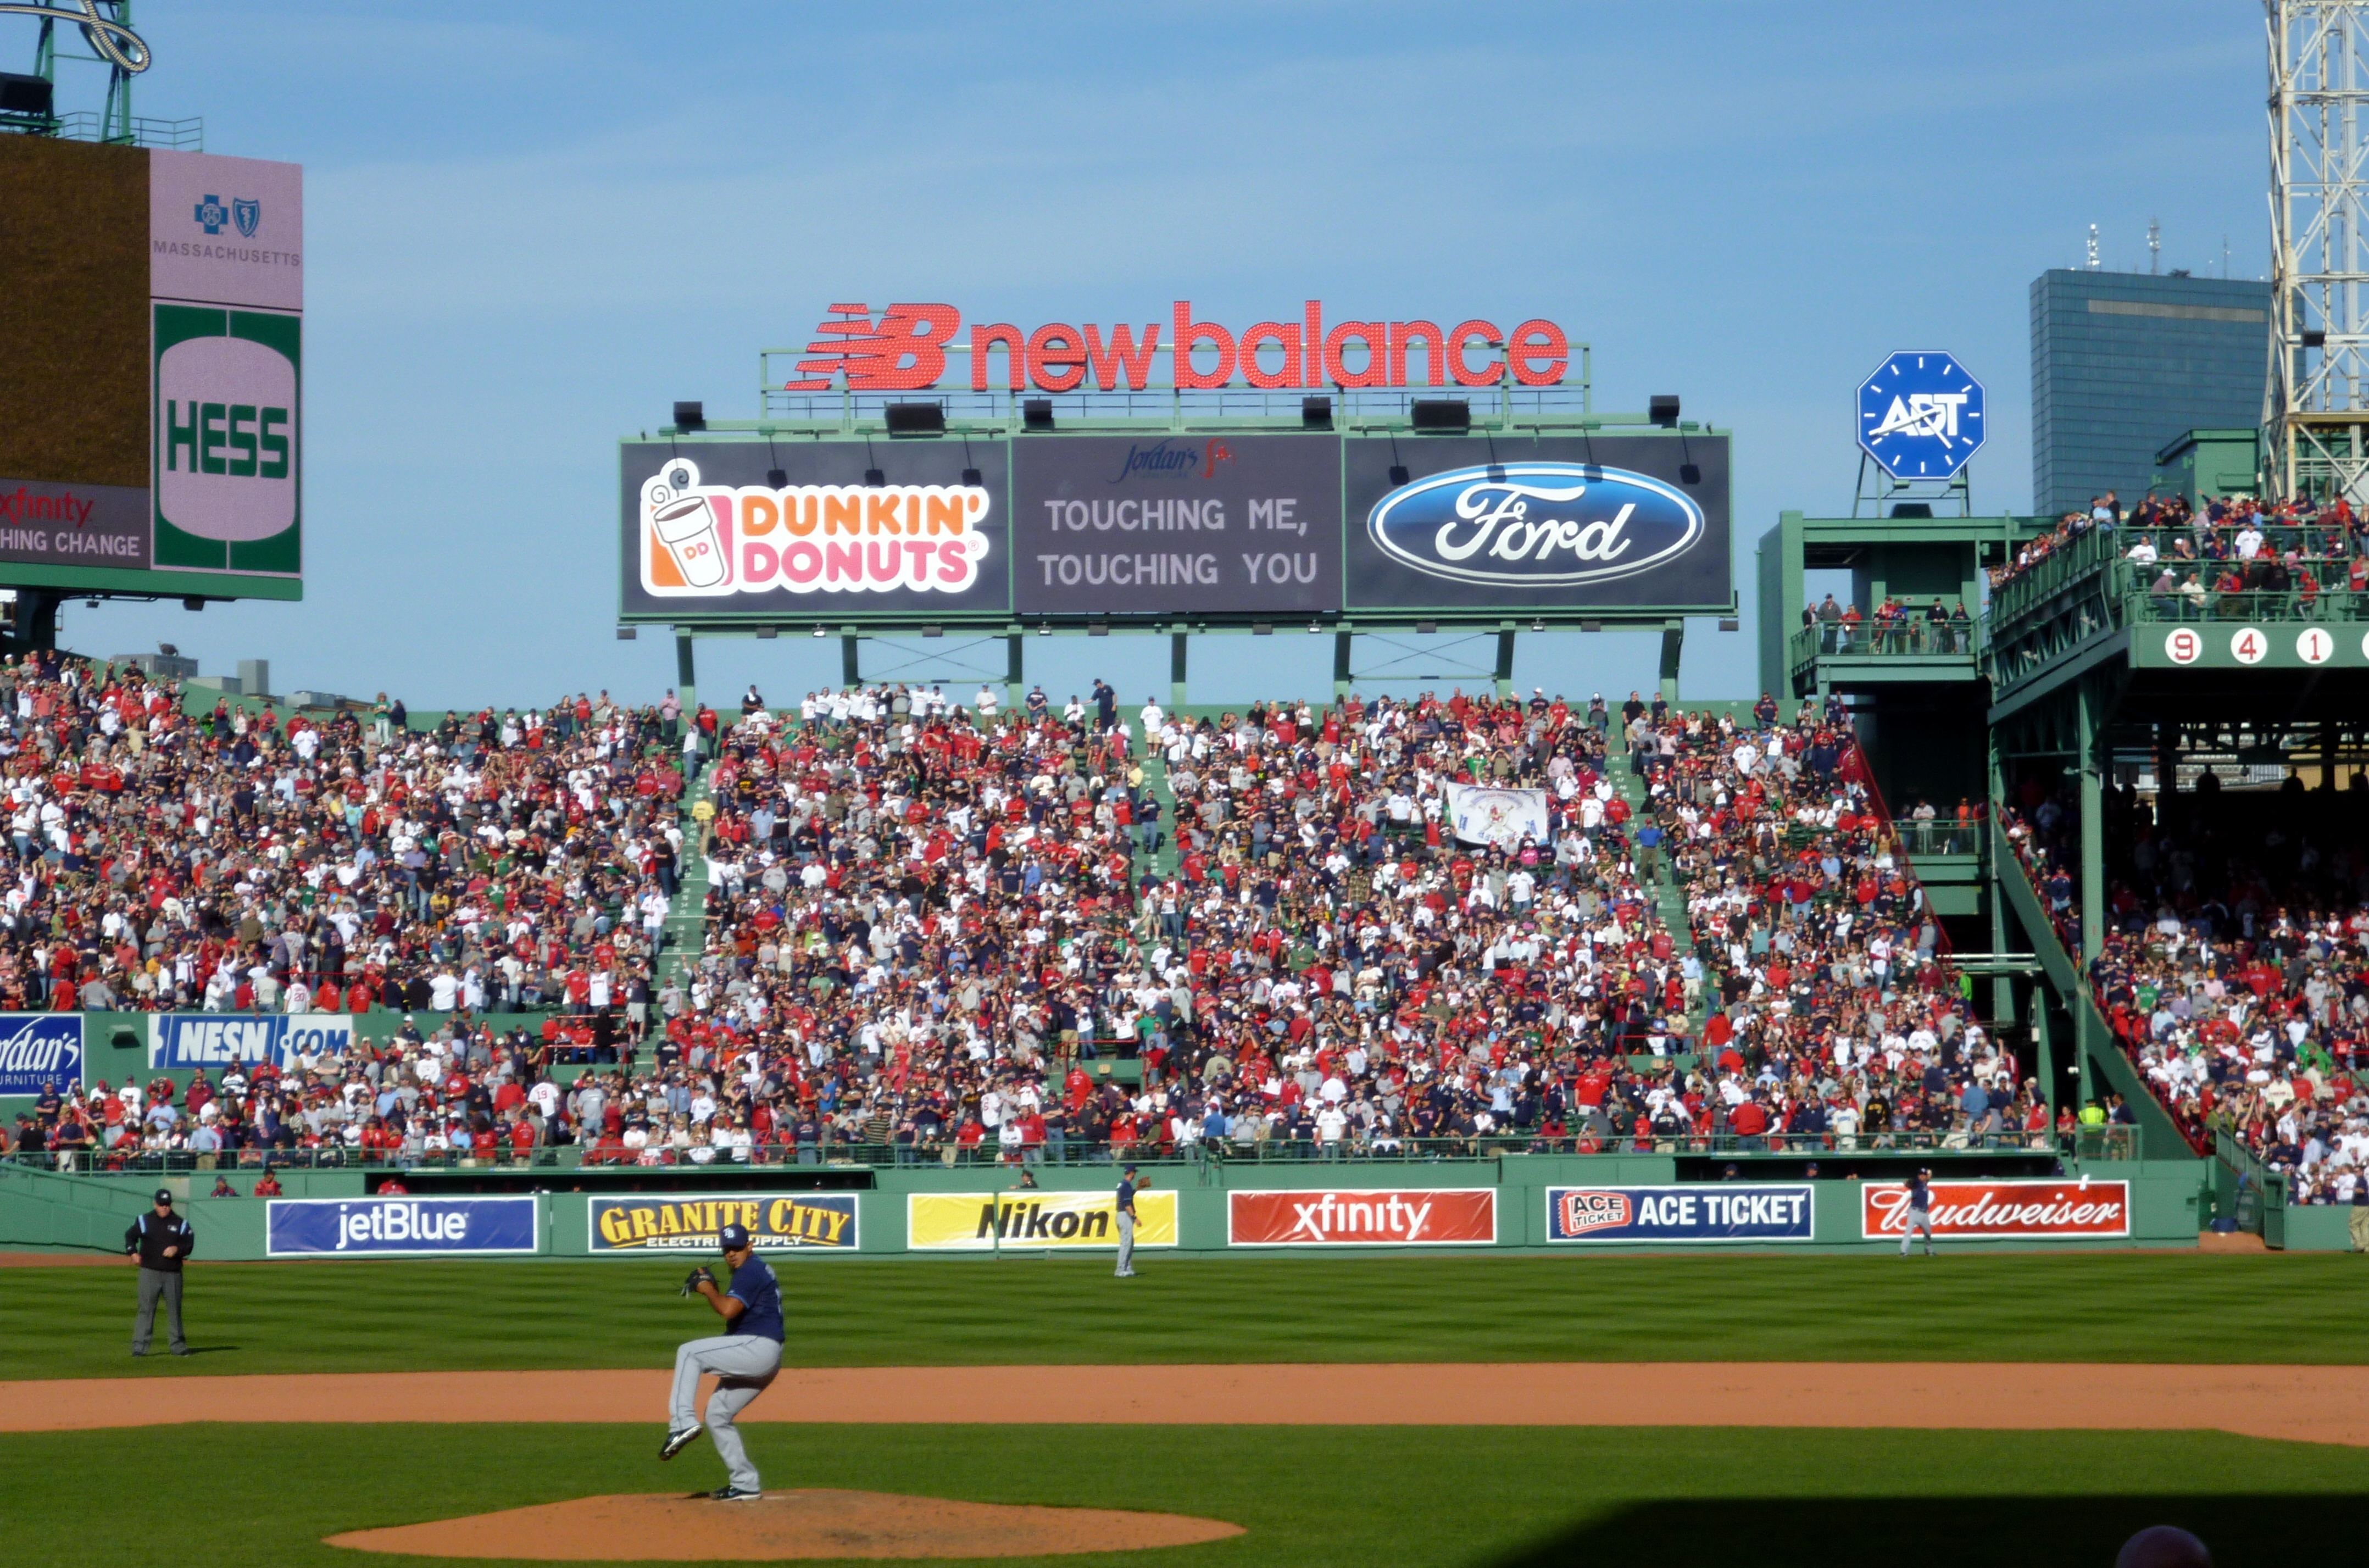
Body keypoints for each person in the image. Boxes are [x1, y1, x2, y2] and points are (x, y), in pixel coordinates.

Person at [660, 1222, 783, 1500]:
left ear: (749, 1246)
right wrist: (714, 1288)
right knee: (718, 1415)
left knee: (689, 1352)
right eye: (727, 1249)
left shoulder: (750, 1270)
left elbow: (728, 1310)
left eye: (737, 1248)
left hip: (758, 1349)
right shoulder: (754, 1269)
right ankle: (746, 1483)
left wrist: (707, 1290)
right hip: (763, 1356)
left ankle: (681, 1422)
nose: (731, 1254)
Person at [126, 1188, 194, 1356]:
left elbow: (189, 1245)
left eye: (167, 1205)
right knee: (146, 1309)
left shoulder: (181, 1223)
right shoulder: (144, 1221)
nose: (164, 1208)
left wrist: (177, 1249)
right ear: (155, 1204)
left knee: (174, 1310)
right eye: (161, 1204)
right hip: (150, 1272)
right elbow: (130, 1236)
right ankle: (139, 1347)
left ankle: (177, 1345)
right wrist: (133, 1252)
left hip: (173, 1273)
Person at [1114, 1162, 1142, 1278]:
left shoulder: (1122, 1184)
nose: (1135, 1174)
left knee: (1130, 1243)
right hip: (1125, 1215)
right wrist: (1135, 1218)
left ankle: (1127, 1268)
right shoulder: (1126, 1185)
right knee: (1126, 1244)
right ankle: (1120, 1270)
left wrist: (1137, 1189)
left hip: (1121, 1215)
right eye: (1134, 1172)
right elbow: (1127, 1204)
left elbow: (1128, 1197)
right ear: (1131, 1173)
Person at [1900, 1167, 1936, 1258]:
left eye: (1924, 1175)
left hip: (1924, 1213)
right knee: (1908, 1232)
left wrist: (1929, 1174)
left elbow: (1929, 1177)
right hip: (1914, 1211)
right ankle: (1904, 1252)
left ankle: (1929, 1251)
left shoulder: (1925, 1183)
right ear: (1919, 1175)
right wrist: (1908, 1183)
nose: (1923, 1176)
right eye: (1921, 1175)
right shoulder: (1917, 1182)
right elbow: (1909, 1183)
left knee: (1928, 1233)